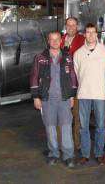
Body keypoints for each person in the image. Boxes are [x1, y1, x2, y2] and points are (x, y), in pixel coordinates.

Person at [30, 31, 78, 168]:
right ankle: (53, 154)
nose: (55, 42)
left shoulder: (68, 57)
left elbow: (73, 77)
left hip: (64, 99)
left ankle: (68, 156)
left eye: (57, 39)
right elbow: (34, 77)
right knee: (50, 127)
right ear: (48, 41)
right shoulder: (40, 58)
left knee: (66, 127)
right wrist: (36, 97)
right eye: (52, 39)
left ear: (61, 41)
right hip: (47, 99)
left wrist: (72, 95)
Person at [73, 23, 105, 166]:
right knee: (83, 127)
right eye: (88, 32)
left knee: (100, 127)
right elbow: (78, 74)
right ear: (84, 34)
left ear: (97, 34)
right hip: (83, 94)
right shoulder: (78, 53)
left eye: (93, 32)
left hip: (100, 95)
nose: (90, 35)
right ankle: (84, 154)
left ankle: (98, 153)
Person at [60, 17, 85, 152]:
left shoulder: (82, 40)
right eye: (68, 25)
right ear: (66, 26)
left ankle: (77, 144)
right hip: (62, 85)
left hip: (77, 84)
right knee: (63, 116)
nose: (71, 27)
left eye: (73, 25)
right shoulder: (60, 40)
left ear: (77, 27)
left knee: (77, 116)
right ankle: (63, 143)